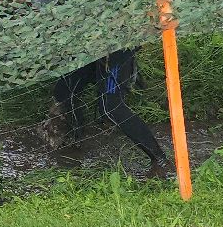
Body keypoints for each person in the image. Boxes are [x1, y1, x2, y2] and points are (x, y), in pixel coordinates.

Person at [51, 48, 171, 178]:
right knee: (64, 91)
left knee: (110, 108)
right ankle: (75, 143)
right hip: (89, 48)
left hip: (115, 49)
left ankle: (160, 160)